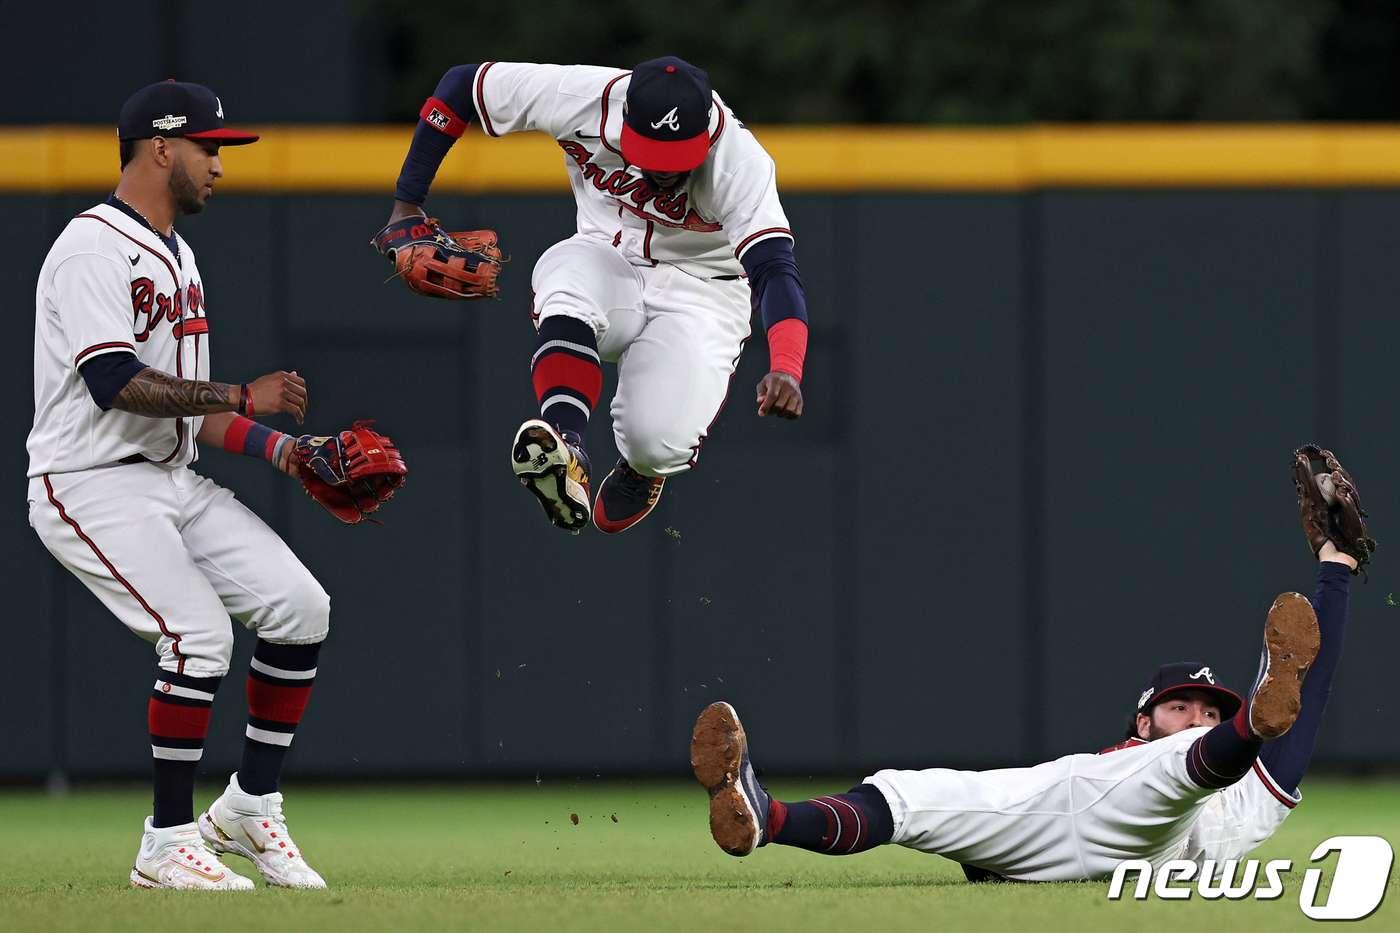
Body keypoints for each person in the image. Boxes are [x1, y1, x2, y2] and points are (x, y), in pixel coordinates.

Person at [690, 446, 1374, 881]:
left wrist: (1332, 576)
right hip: (1066, 814)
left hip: (1164, 823)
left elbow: (1307, 693)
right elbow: (1304, 696)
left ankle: (1253, 717)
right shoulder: (1137, 768)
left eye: (1208, 708)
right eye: (1182, 706)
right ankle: (767, 815)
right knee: (909, 796)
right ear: (1140, 718)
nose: (1197, 713)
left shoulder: (1217, 776)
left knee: (1190, 762)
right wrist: (1336, 563)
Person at [27, 81, 337, 890]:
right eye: (211, 148)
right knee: (199, 637)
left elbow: (190, 413)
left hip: (168, 476)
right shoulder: (92, 245)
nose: (220, 166)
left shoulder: (179, 253)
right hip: (87, 479)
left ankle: (247, 807)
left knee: (301, 607)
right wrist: (241, 394)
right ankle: (165, 843)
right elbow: (113, 379)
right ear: (160, 146)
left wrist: (281, 452)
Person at [376, 55, 809, 534]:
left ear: (705, 135)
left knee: (656, 442)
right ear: (624, 120)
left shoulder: (739, 163)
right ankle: (566, 443)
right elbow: (461, 85)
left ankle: (640, 471)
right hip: (608, 255)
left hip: (704, 291)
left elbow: (774, 269)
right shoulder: (582, 97)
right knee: (564, 280)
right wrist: (407, 202)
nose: (664, 172)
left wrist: (786, 367)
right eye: (652, 156)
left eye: (677, 160)